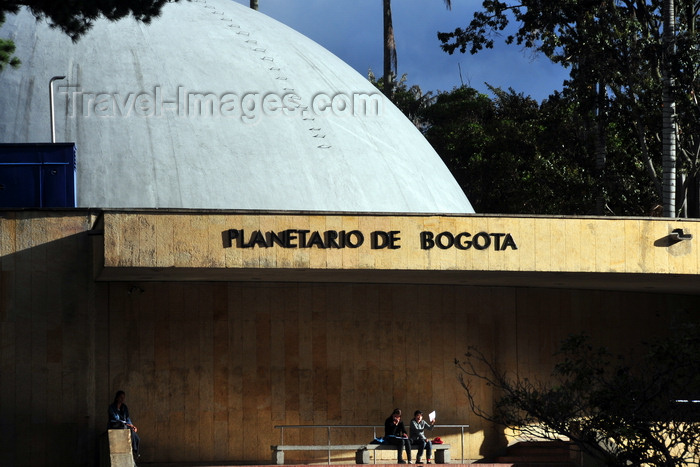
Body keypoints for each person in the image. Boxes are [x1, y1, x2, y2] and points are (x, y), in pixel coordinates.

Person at [108, 390, 140, 458]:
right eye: (121, 397)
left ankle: (136, 451)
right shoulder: (112, 407)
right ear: (117, 398)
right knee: (126, 428)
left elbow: (128, 418)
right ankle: (134, 450)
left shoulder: (124, 407)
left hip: (125, 425)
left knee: (136, 436)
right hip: (115, 425)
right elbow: (115, 419)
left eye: (123, 397)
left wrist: (132, 426)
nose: (122, 399)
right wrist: (128, 425)